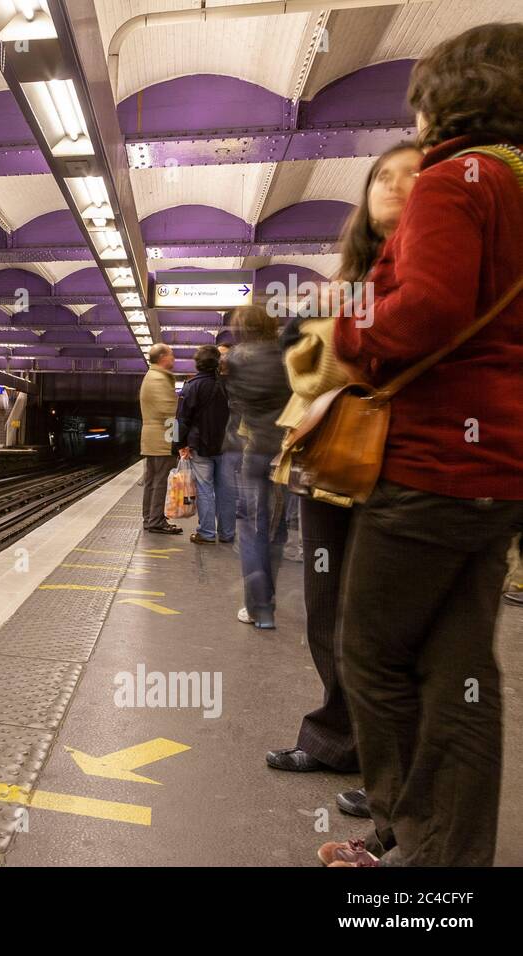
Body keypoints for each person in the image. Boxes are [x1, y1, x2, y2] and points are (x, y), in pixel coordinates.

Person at [323, 22, 523, 868]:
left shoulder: (455, 181)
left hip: (436, 460)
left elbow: (430, 309)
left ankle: (411, 843)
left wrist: (349, 326)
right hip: (501, 467)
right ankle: (447, 863)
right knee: (460, 670)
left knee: (369, 653)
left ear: (452, 95)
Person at [265, 143, 422, 800]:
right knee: (328, 611)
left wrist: (337, 318)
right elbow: (305, 366)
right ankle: (337, 738)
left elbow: (331, 365)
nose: (394, 185)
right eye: (382, 176)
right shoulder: (357, 273)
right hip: (332, 458)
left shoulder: (429, 266)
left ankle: (390, 772)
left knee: (380, 626)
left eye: (412, 175)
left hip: (397, 464)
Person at [224, 306, 291, 629]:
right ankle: (269, 603)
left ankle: (258, 609)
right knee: (276, 530)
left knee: (252, 528)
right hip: (285, 451)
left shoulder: (236, 358)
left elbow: (236, 405)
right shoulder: (285, 352)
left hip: (252, 451)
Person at [173, 346, 232, 544]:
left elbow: (181, 419)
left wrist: (177, 444)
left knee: (205, 490)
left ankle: (206, 533)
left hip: (200, 446)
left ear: (197, 364)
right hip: (226, 445)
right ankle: (227, 533)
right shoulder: (228, 385)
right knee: (225, 491)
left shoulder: (191, 386)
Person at [139, 343, 180, 535]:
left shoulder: (152, 376)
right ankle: (155, 520)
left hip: (153, 437)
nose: (174, 359)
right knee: (160, 481)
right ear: (163, 357)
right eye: (172, 355)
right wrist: (179, 440)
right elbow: (169, 412)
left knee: (152, 480)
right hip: (162, 439)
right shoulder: (159, 379)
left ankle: (150, 517)